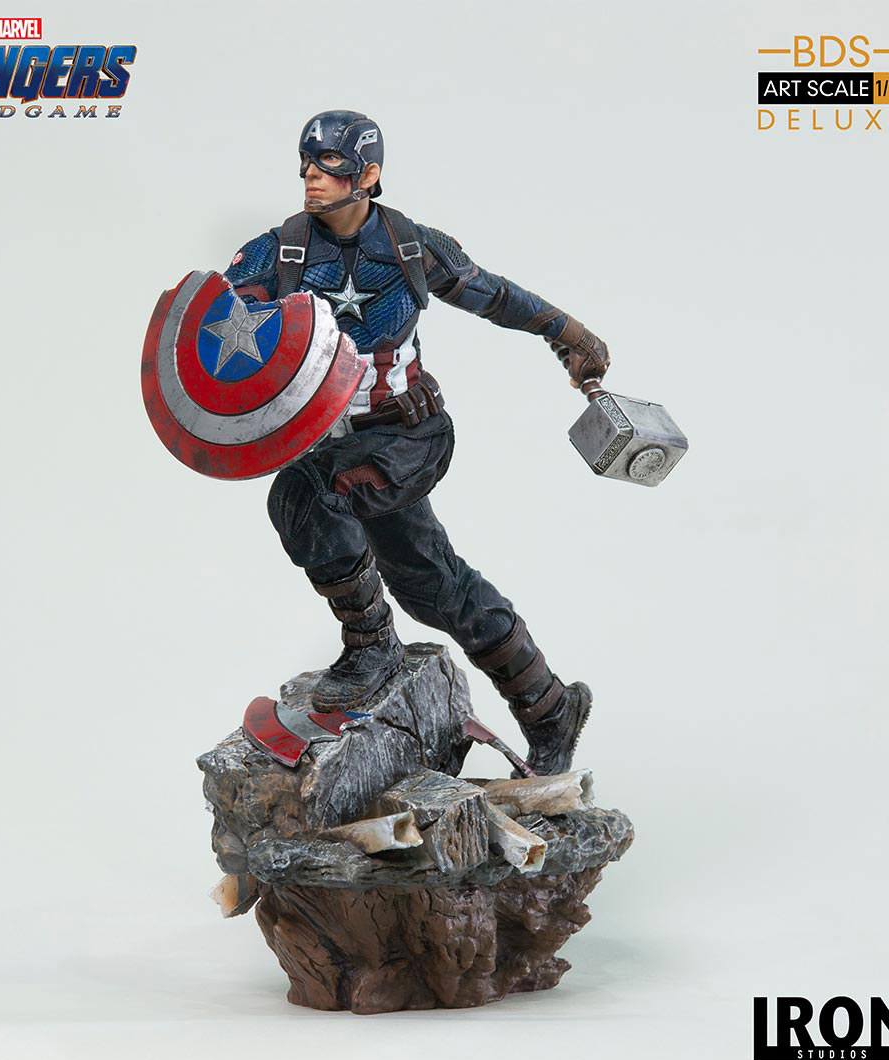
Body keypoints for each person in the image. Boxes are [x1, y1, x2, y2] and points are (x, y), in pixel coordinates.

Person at [223, 110, 610, 775]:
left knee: (305, 495)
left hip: (407, 435)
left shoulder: (409, 247)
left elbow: (495, 295)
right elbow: (220, 331)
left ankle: (371, 646)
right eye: (307, 165)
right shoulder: (276, 253)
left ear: (368, 174)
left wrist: (567, 333)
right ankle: (549, 706)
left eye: (330, 166)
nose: (312, 178)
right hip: (334, 442)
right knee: (432, 585)